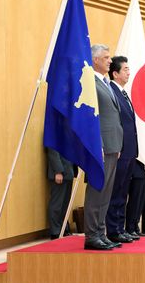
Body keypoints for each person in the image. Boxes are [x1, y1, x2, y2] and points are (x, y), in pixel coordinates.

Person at [83, 44, 123, 250]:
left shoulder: (105, 83)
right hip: (100, 145)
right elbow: (90, 117)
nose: (110, 60)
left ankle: (100, 231)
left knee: (106, 191)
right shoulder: (90, 83)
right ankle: (91, 235)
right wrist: (96, 143)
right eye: (106, 57)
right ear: (95, 60)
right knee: (97, 190)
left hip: (112, 145)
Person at [105, 56, 138, 243]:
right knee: (115, 191)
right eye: (125, 69)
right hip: (119, 150)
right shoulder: (112, 92)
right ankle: (113, 229)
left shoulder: (124, 94)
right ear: (115, 73)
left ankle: (120, 227)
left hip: (130, 151)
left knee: (123, 191)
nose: (128, 72)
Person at [46, 148, 75, 239]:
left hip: (69, 171)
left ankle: (63, 228)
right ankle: (55, 231)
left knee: (65, 205)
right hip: (60, 172)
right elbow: (52, 151)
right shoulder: (53, 132)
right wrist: (58, 171)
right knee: (57, 204)